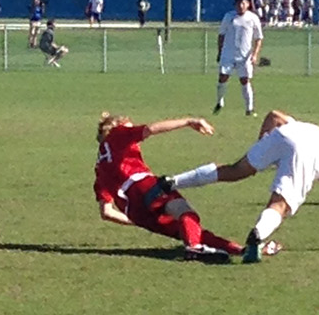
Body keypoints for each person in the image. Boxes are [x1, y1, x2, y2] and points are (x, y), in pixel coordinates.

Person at [161, 110, 319, 263]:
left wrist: (261, 146)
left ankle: (172, 181)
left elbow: (273, 115)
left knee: (234, 170)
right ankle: (257, 235)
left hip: (285, 134)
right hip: (302, 151)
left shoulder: (314, 131)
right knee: (280, 204)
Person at [93, 113, 246, 263]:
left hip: (135, 212)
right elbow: (150, 129)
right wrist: (188, 121)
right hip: (143, 186)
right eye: (130, 127)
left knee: (188, 230)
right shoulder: (118, 134)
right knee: (185, 211)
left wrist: (136, 220)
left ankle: (240, 250)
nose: (134, 132)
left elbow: (106, 212)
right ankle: (194, 247)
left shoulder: (100, 169)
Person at [214, 0, 264, 116]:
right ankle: (220, 102)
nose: (241, 6)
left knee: (245, 80)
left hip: (244, 56)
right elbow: (221, 35)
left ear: (247, 4)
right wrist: (220, 52)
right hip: (228, 53)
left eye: (243, 3)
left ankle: (249, 109)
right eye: (238, 3)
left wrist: (255, 54)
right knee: (223, 77)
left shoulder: (253, 18)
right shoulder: (229, 17)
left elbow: (259, 38)